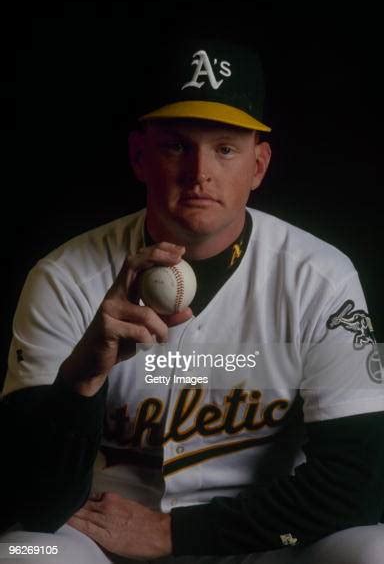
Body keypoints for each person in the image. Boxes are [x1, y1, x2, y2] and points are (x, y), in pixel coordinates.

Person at [1, 37, 384, 564]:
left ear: (259, 165)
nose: (199, 171)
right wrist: (80, 379)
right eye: (176, 145)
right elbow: (30, 500)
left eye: (225, 147)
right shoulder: (65, 278)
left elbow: (358, 484)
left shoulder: (321, 278)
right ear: (139, 156)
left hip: (266, 538)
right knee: (24, 552)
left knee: (374, 549)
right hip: (105, 539)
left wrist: (176, 534)